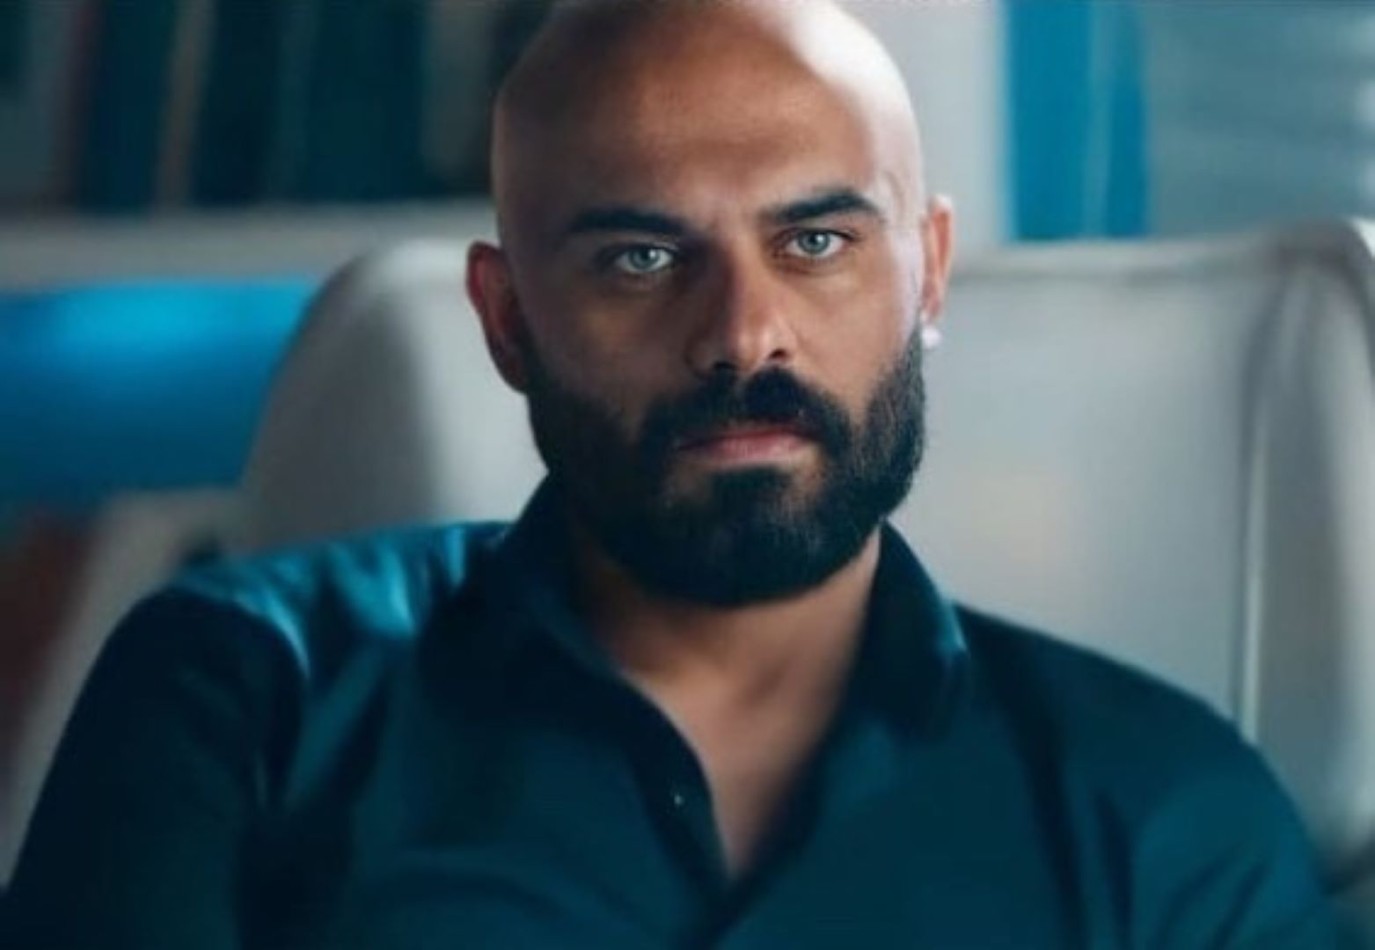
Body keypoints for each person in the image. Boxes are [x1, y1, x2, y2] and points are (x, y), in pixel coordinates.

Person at [2, 1, 1339, 947]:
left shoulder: (1167, 813)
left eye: (815, 243)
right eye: (641, 259)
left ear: (927, 273)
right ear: (508, 318)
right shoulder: (243, 698)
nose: (743, 334)